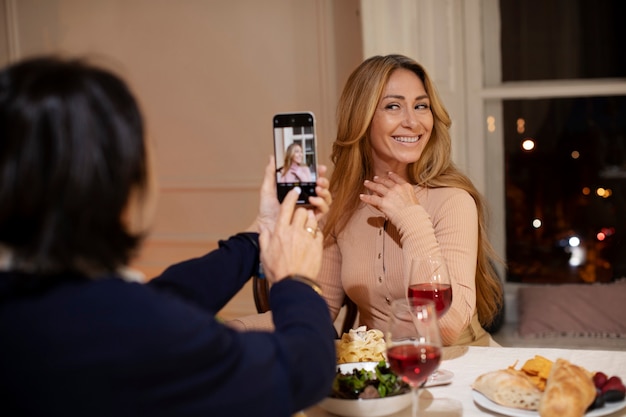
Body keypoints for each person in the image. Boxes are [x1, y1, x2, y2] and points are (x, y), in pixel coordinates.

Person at [0, 56, 336, 417]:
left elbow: (159, 297)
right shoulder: (142, 333)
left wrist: (259, 236)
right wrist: (295, 281)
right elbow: (302, 371)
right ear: (124, 185)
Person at [233, 54, 504, 347]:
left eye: (421, 106)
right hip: (380, 373)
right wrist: (229, 328)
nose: (413, 122)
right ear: (361, 118)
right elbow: (318, 312)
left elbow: (446, 328)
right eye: (393, 106)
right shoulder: (340, 206)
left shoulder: (453, 200)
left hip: (461, 366)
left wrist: (411, 218)